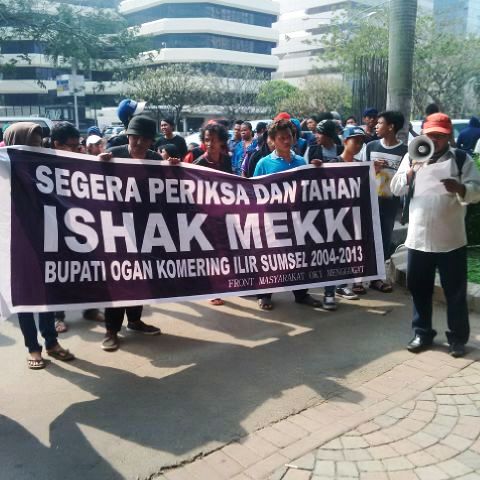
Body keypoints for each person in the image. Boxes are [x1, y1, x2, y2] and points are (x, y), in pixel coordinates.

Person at [391, 112, 480, 358]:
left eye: (439, 135)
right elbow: (395, 187)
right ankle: (422, 332)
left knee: (455, 293)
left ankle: (457, 338)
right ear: (423, 135)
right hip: (418, 239)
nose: (434, 139)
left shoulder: (461, 159)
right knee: (419, 289)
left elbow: (477, 191)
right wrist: (410, 173)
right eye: (430, 135)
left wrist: (460, 188)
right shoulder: (412, 155)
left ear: (448, 136)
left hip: (451, 240)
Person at [3, 122, 75, 369]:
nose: (36, 147)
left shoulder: (45, 165)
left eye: (38, 143)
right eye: (30, 143)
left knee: (46, 294)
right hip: (16, 242)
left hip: (44, 237)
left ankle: (51, 342)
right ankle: (33, 348)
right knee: (24, 296)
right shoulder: (5, 166)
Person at [100, 115, 162, 351]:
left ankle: (135, 320)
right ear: (128, 135)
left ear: (151, 141)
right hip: (116, 228)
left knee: (140, 278)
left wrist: (173, 169)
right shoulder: (114, 154)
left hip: (146, 228)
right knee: (118, 279)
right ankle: (111, 330)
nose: (139, 142)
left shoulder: (155, 159)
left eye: (145, 139)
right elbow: (90, 181)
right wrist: (97, 164)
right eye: (135, 137)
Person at [253, 119, 323, 311]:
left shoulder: (301, 161)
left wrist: (316, 170)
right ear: (272, 140)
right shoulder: (263, 164)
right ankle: (264, 294)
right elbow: (252, 191)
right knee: (270, 258)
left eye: (289, 137)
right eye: (281, 138)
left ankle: (301, 293)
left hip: (297, 220)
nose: (286, 141)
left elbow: (309, 189)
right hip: (272, 220)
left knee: (298, 257)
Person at [50, 122, 106, 328]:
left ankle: (90, 309)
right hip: (54, 226)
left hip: (82, 225)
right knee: (57, 271)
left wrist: (101, 164)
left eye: (78, 145)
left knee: (89, 268)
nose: (76, 150)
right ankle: (57, 316)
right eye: (71, 146)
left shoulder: (80, 160)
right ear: (57, 144)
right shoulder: (42, 163)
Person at [363, 110, 408, 293]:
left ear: (391, 127)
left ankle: (377, 278)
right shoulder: (371, 146)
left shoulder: (405, 151)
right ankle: (361, 278)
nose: (376, 126)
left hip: (389, 205)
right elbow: (360, 173)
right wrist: (371, 169)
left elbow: (406, 181)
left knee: (383, 240)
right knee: (365, 240)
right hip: (368, 202)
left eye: (380, 123)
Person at [333, 126, 369, 300]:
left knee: (352, 250)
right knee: (338, 251)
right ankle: (339, 286)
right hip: (336, 217)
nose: (359, 145)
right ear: (345, 141)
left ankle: (349, 282)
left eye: (361, 142)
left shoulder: (361, 166)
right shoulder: (333, 163)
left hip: (355, 216)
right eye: (356, 141)